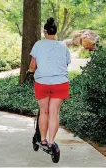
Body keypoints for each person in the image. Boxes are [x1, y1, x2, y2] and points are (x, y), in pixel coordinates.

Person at [28, 17, 71, 151]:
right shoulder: (63, 45)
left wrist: (30, 71)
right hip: (60, 83)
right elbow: (66, 63)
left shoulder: (38, 44)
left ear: (45, 32)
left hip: (43, 83)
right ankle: (52, 142)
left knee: (44, 111)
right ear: (55, 32)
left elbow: (33, 65)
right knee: (54, 113)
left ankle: (43, 140)